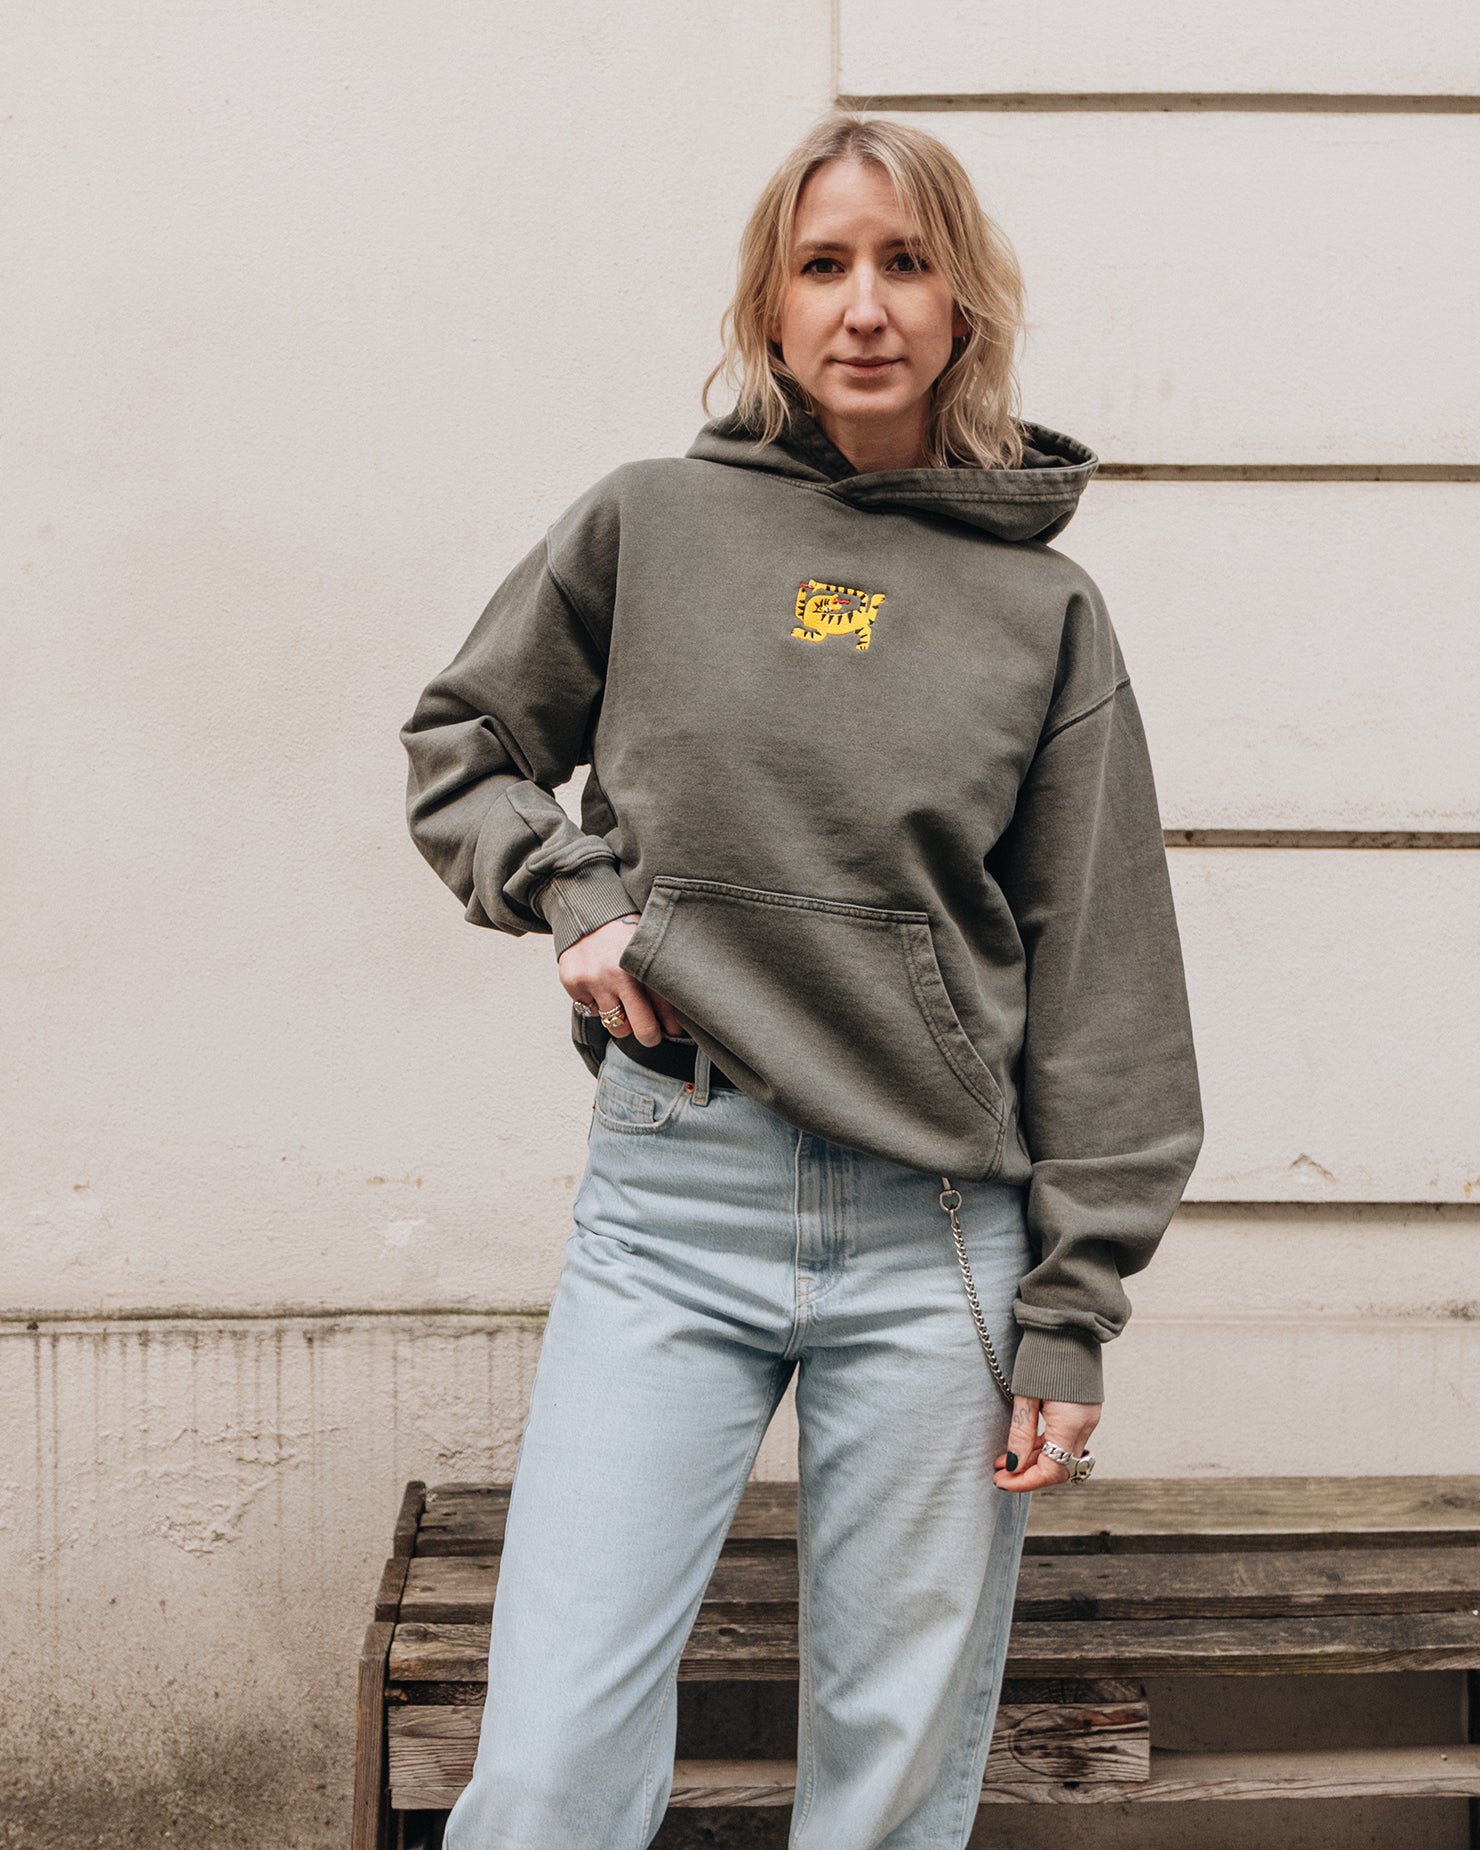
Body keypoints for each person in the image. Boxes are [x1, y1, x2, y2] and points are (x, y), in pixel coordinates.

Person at [399, 110, 1203, 1850]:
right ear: (769, 303)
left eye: (907, 263)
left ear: (964, 302)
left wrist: (1073, 1306)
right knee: (546, 1765)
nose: (865, 305)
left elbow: (1107, 977)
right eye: (823, 263)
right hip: (673, 1204)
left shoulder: (1044, 610)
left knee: (889, 1783)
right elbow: (465, 745)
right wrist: (571, 893)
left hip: (940, 1245)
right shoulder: (648, 524)